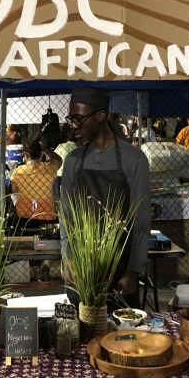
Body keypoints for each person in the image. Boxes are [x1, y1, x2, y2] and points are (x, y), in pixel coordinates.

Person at [60, 87, 150, 309]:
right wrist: (68, 259)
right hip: (80, 266)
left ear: (100, 116)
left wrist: (132, 270)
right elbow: (66, 216)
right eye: (71, 119)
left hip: (121, 265)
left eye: (78, 119)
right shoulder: (72, 160)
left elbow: (140, 220)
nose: (73, 126)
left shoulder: (134, 159)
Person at [10, 140, 62, 221]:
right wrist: (43, 149)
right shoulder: (49, 167)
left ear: (26, 155)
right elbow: (58, 159)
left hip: (25, 213)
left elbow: (13, 190)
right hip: (47, 212)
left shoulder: (18, 171)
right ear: (41, 154)